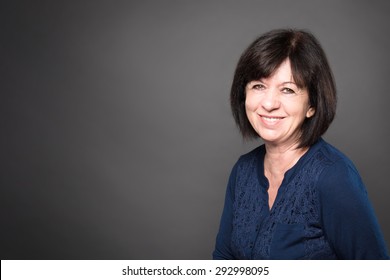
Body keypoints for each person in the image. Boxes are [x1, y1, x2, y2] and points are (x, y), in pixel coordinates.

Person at [213, 29, 389, 259]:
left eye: (288, 89)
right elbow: (224, 261)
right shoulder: (242, 172)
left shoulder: (333, 177)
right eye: (258, 86)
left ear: (312, 105)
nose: (268, 103)